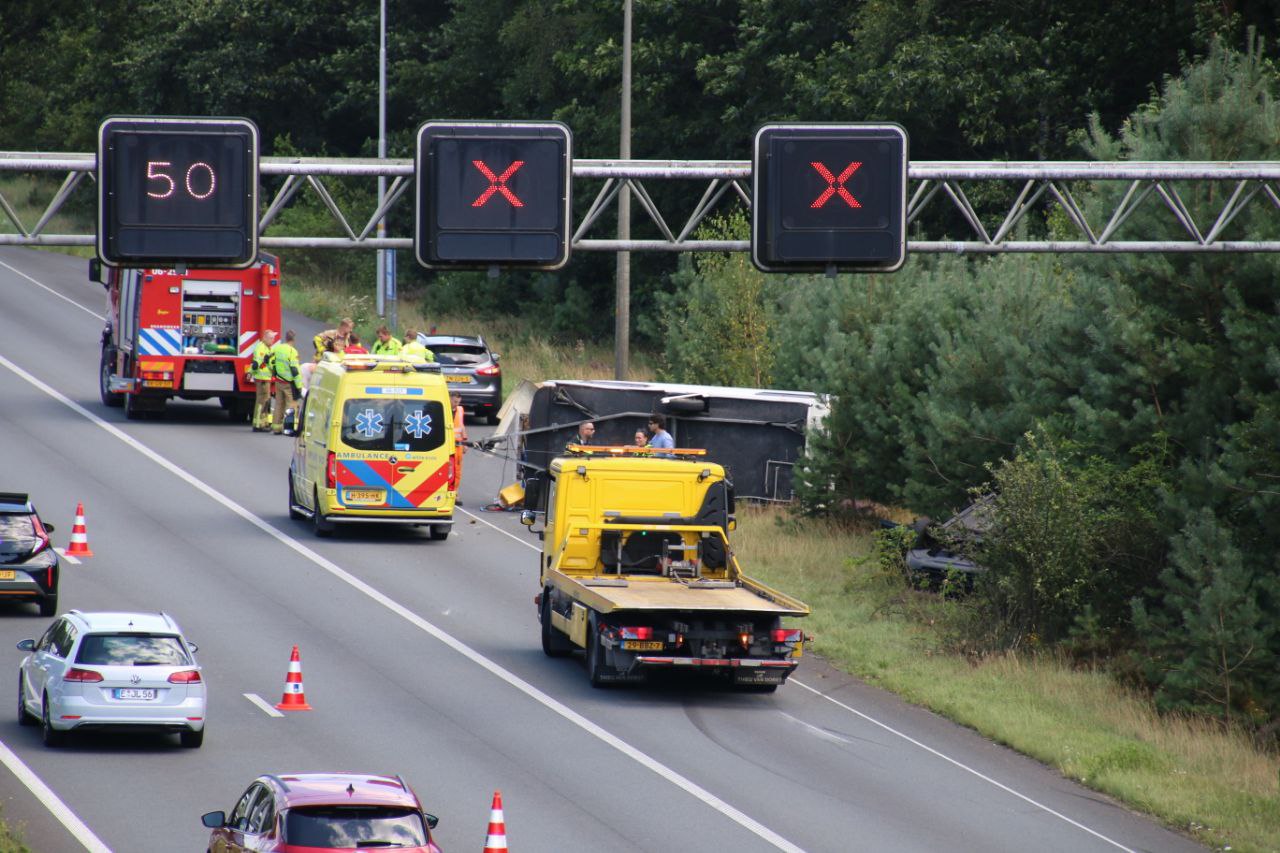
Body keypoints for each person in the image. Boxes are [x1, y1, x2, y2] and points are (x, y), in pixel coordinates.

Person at [270, 330, 301, 435]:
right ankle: (288, 428)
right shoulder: (293, 352)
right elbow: (295, 371)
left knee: (279, 404)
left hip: (278, 381)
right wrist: (299, 386)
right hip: (289, 383)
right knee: (290, 405)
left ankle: (276, 427)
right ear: (293, 339)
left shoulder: (277, 348)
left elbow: (269, 361)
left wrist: (274, 373)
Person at [250, 329, 278, 432]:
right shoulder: (261, 348)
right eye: (271, 338)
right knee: (262, 401)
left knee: (266, 401)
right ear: (265, 338)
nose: (273, 340)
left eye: (273, 338)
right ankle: (258, 424)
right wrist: (251, 372)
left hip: (266, 379)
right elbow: (258, 363)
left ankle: (263, 423)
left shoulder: (267, 348)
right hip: (262, 379)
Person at [451, 392, 467, 505]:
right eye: (455, 401)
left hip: (458, 446)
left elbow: (461, 426)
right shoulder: (444, 408)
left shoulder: (460, 410)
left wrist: (465, 442)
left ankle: (455, 494)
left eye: (458, 402)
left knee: (457, 472)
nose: (456, 404)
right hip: (446, 446)